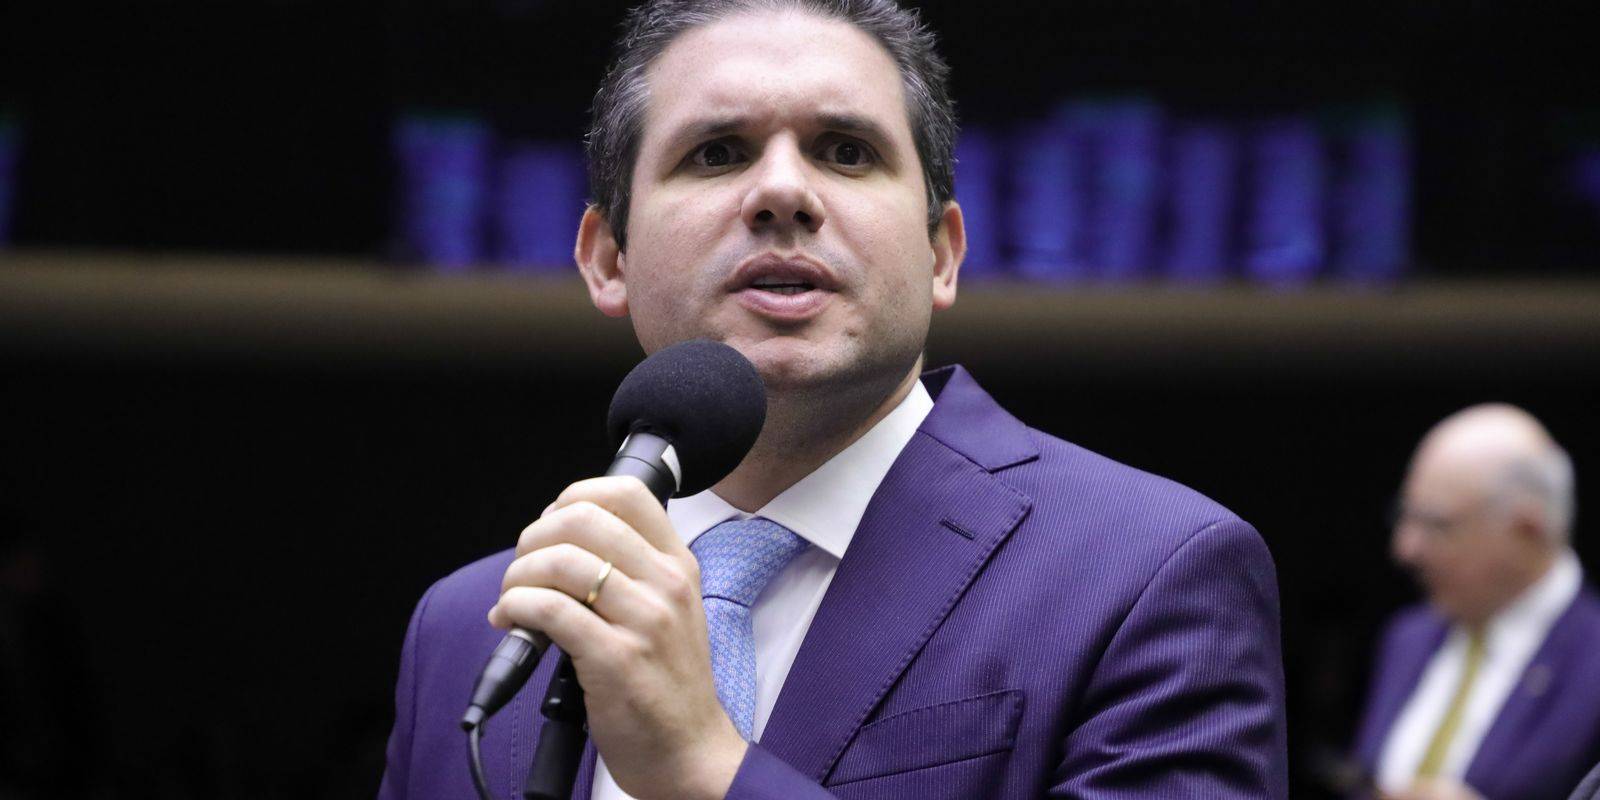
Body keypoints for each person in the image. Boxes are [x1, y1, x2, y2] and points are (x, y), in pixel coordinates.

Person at [378, 2, 1286, 797]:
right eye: (717, 153)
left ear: (942, 254)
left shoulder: (1150, 575)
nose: (782, 192)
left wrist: (707, 770)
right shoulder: (470, 631)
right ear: (608, 259)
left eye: (846, 152)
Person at [1349, 404, 1600, 800]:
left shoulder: (1591, 658)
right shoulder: (1407, 638)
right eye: (1405, 517)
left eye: (1436, 525)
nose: (1406, 548)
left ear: (1527, 529)